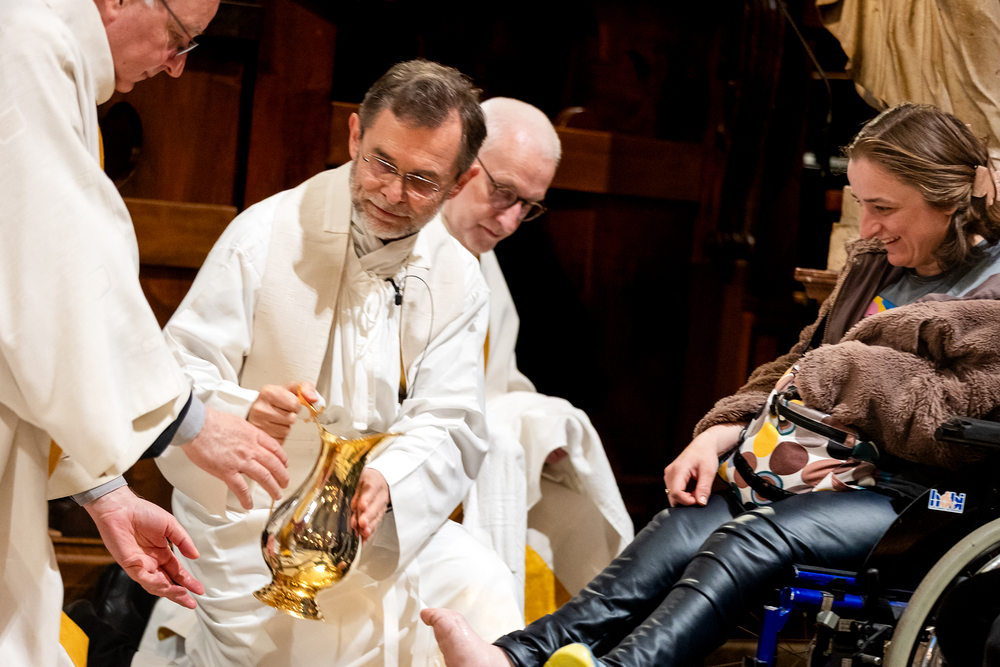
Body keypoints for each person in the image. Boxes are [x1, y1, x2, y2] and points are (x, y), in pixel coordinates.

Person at [421, 103, 1000, 667]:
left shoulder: (992, 293)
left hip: (914, 496)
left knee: (746, 539)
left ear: (946, 200)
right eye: (861, 204)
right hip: (810, 469)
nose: (867, 227)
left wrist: (843, 370)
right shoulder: (877, 262)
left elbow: (946, 422)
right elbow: (799, 361)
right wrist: (720, 431)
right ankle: (515, 655)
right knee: (685, 523)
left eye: (883, 208)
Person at [134, 60, 523, 667]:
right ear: (354, 136)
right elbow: (175, 375)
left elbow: (453, 417)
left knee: (483, 585)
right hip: (250, 524)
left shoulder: (457, 276)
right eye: (381, 163)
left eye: (422, 180)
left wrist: (391, 479)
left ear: (460, 181)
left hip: (372, 528)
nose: (393, 194)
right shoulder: (263, 236)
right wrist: (244, 410)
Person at [0, 1, 293, 664]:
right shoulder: (23, 39)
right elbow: (54, 276)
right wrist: (187, 420)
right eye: (179, 38)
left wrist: (104, 491)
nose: (176, 66)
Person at [440, 97, 633, 605]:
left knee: (582, 524)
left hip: (469, 471)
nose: (510, 222)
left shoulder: (481, 262)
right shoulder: (406, 250)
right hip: (402, 481)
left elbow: (497, 388)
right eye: (502, 192)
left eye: (527, 205)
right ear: (460, 159)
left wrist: (542, 429)